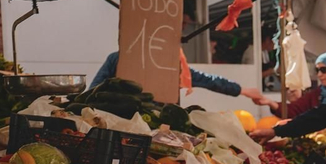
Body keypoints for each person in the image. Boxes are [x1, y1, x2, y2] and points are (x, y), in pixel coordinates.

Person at [90, 50, 269, 106]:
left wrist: (240, 90)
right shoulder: (117, 59)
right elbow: (93, 91)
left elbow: (93, 91)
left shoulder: (168, 62)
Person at [278, 51, 326, 119]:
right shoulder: (317, 93)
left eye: (324, 70)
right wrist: (271, 103)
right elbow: (295, 109)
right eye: (317, 70)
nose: (319, 75)